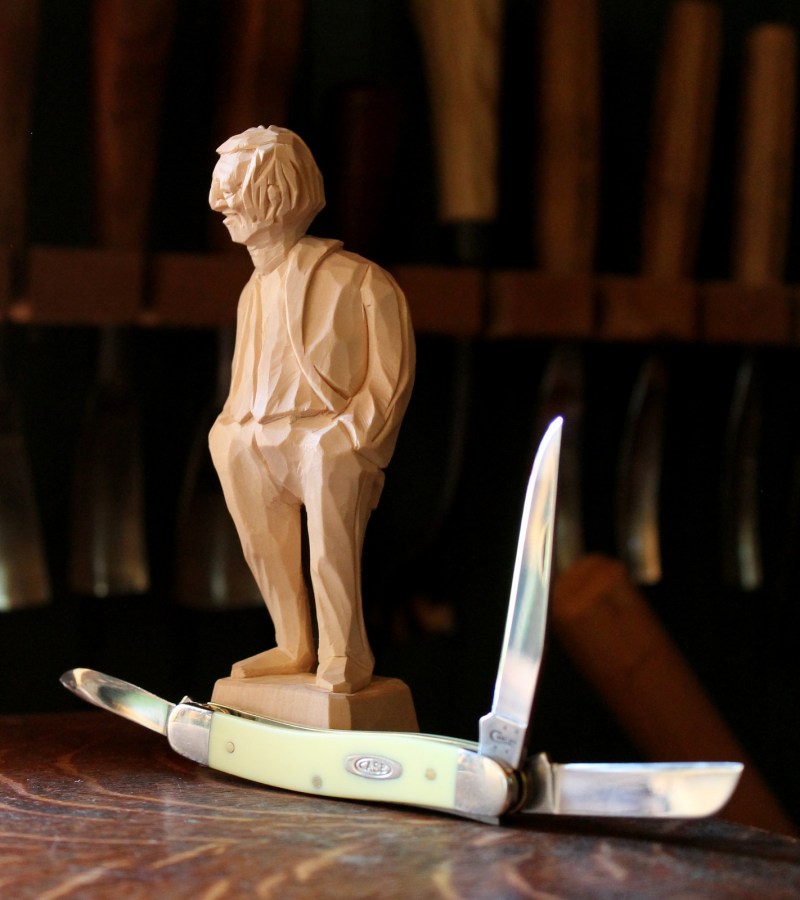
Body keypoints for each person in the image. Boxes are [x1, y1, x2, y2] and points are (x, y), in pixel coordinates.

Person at [208, 125, 414, 693]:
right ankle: (292, 641)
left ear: (275, 194)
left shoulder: (361, 280)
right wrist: (229, 426)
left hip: (326, 438)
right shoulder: (252, 290)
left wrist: (348, 436)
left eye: (231, 190)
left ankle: (346, 652)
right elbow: (248, 374)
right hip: (257, 438)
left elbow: (391, 376)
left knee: (329, 538)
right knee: (258, 530)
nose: (219, 204)